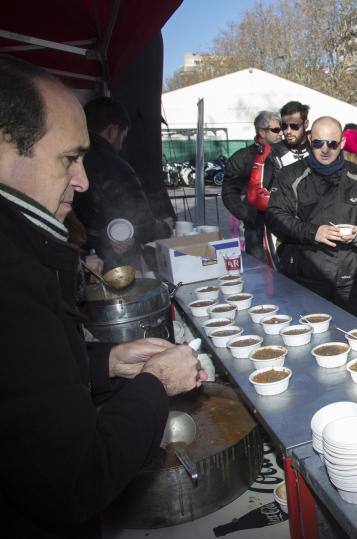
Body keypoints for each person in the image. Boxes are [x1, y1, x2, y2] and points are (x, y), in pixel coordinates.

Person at [0, 55, 205, 538]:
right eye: (69, 158)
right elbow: (77, 478)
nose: (83, 181)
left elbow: (21, 384)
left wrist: (106, 362)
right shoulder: (12, 272)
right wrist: (155, 382)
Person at [266, 117, 357, 319]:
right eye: (318, 143)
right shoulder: (289, 176)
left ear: (342, 143)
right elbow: (275, 217)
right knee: (307, 338)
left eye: (332, 144)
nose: (325, 150)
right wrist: (313, 232)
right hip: (304, 274)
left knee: (353, 335)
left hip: (350, 275)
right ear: (310, 139)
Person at [72, 97, 170, 270]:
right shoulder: (114, 166)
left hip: (77, 257)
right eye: (123, 138)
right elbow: (142, 223)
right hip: (109, 263)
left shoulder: (69, 159)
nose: (120, 146)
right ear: (112, 130)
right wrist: (165, 227)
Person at [222, 110, 281, 261]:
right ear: (262, 132)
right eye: (275, 129)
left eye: (281, 128)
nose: (280, 133)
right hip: (256, 229)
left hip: (282, 226)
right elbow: (229, 191)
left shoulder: (285, 154)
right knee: (260, 272)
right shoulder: (243, 157)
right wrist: (247, 215)